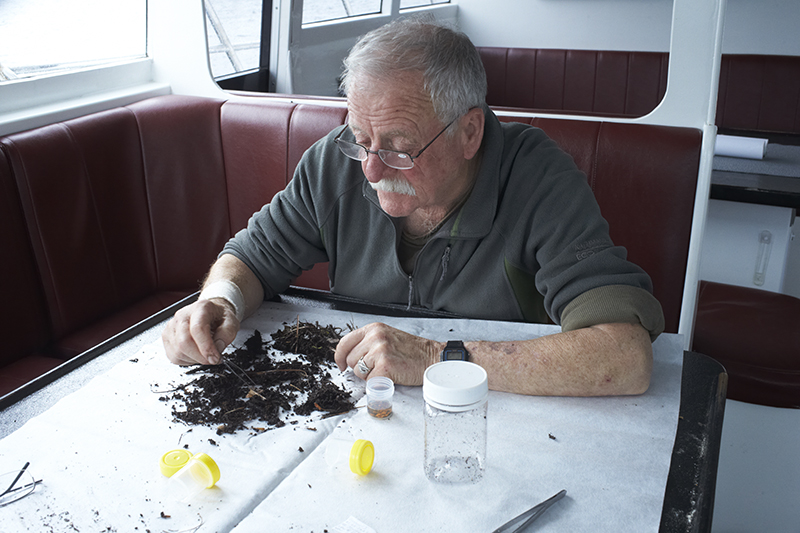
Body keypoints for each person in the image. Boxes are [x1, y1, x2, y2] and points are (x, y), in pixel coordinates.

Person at [162, 16, 664, 397]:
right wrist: (221, 300)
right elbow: (250, 257)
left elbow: (623, 354)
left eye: (400, 148)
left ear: (470, 132)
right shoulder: (335, 163)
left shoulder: (539, 182)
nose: (372, 170)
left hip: (491, 419)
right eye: (360, 139)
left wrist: (435, 358)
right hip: (361, 413)